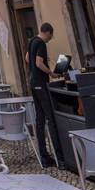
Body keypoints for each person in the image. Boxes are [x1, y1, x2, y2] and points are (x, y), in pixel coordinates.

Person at [28, 21, 62, 168]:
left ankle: (44, 156)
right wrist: (51, 73)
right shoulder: (41, 43)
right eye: (51, 36)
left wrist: (39, 65)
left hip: (33, 82)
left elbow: (27, 58)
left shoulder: (32, 41)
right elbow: (38, 62)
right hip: (41, 83)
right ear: (48, 32)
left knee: (40, 119)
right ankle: (59, 156)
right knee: (50, 118)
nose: (50, 39)